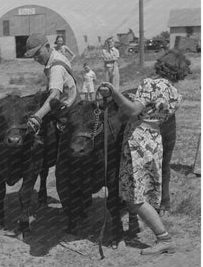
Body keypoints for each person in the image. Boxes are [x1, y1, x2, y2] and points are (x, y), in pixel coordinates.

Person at [99, 50, 190, 255]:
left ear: (161, 65)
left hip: (138, 140)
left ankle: (164, 238)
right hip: (154, 140)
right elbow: (150, 109)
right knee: (140, 191)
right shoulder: (175, 94)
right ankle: (144, 228)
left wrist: (115, 92)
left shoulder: (149, 83)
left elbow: (132, 111)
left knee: (134, 197)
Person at [24, 33, 79, 134]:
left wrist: (37, 117)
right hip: (70, 101)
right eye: (33, 56)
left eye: (38, 53)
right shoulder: (57, 56)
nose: (36, 59)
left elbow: (55, 95)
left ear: (47, 46)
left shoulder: (56, 68)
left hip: (65, 112)